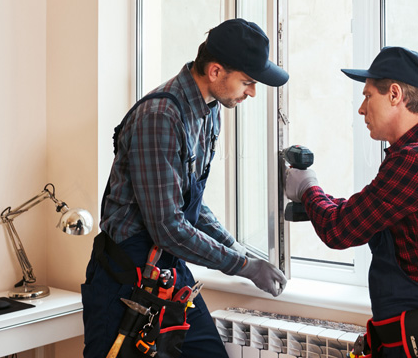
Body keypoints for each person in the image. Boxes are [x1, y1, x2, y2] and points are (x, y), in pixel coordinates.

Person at [82, 18, 288, 358]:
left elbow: (191, 204)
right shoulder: (160, 116)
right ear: (216, 71)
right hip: (125, 279)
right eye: (247, 81)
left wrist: (238, 250)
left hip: (168, 271)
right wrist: (243, 266)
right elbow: (168, 227)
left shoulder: (209, 111)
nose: (251, 92)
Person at [285, 47, 418, 358]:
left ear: (395, 95)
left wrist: (307, 187)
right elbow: (365, 212)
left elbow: (340, 229)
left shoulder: (415, 161)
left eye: (367, 96)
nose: (361, 109)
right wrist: (314, 201)